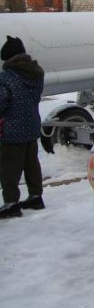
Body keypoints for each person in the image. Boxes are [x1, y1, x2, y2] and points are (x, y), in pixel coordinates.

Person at [0, 36, 46, 219]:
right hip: (31, 125)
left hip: (12, 129)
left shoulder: (6, 78)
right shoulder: (36, 73)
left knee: (9, 168)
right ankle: (36, 197)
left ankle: (11, 203)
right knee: (31, 163)